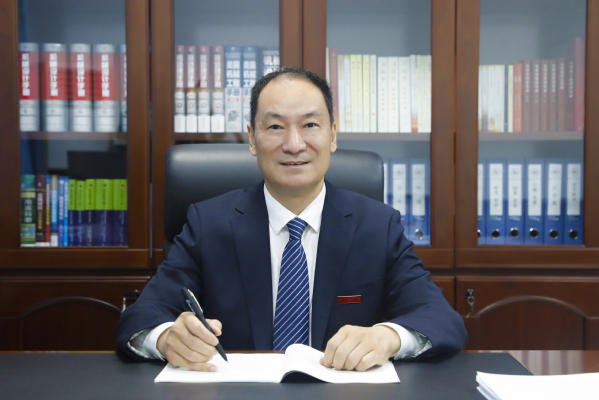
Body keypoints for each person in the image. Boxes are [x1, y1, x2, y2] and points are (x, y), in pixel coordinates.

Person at [115, 67, 467, 372]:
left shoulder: (378, 226)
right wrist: (167, 338)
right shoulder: (208, 223)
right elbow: (141, 317)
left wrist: (387, 337)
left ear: (332, 135)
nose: (294, 144)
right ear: (252, 138)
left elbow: (441, 319)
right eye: (275, 127)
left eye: (310, 125)